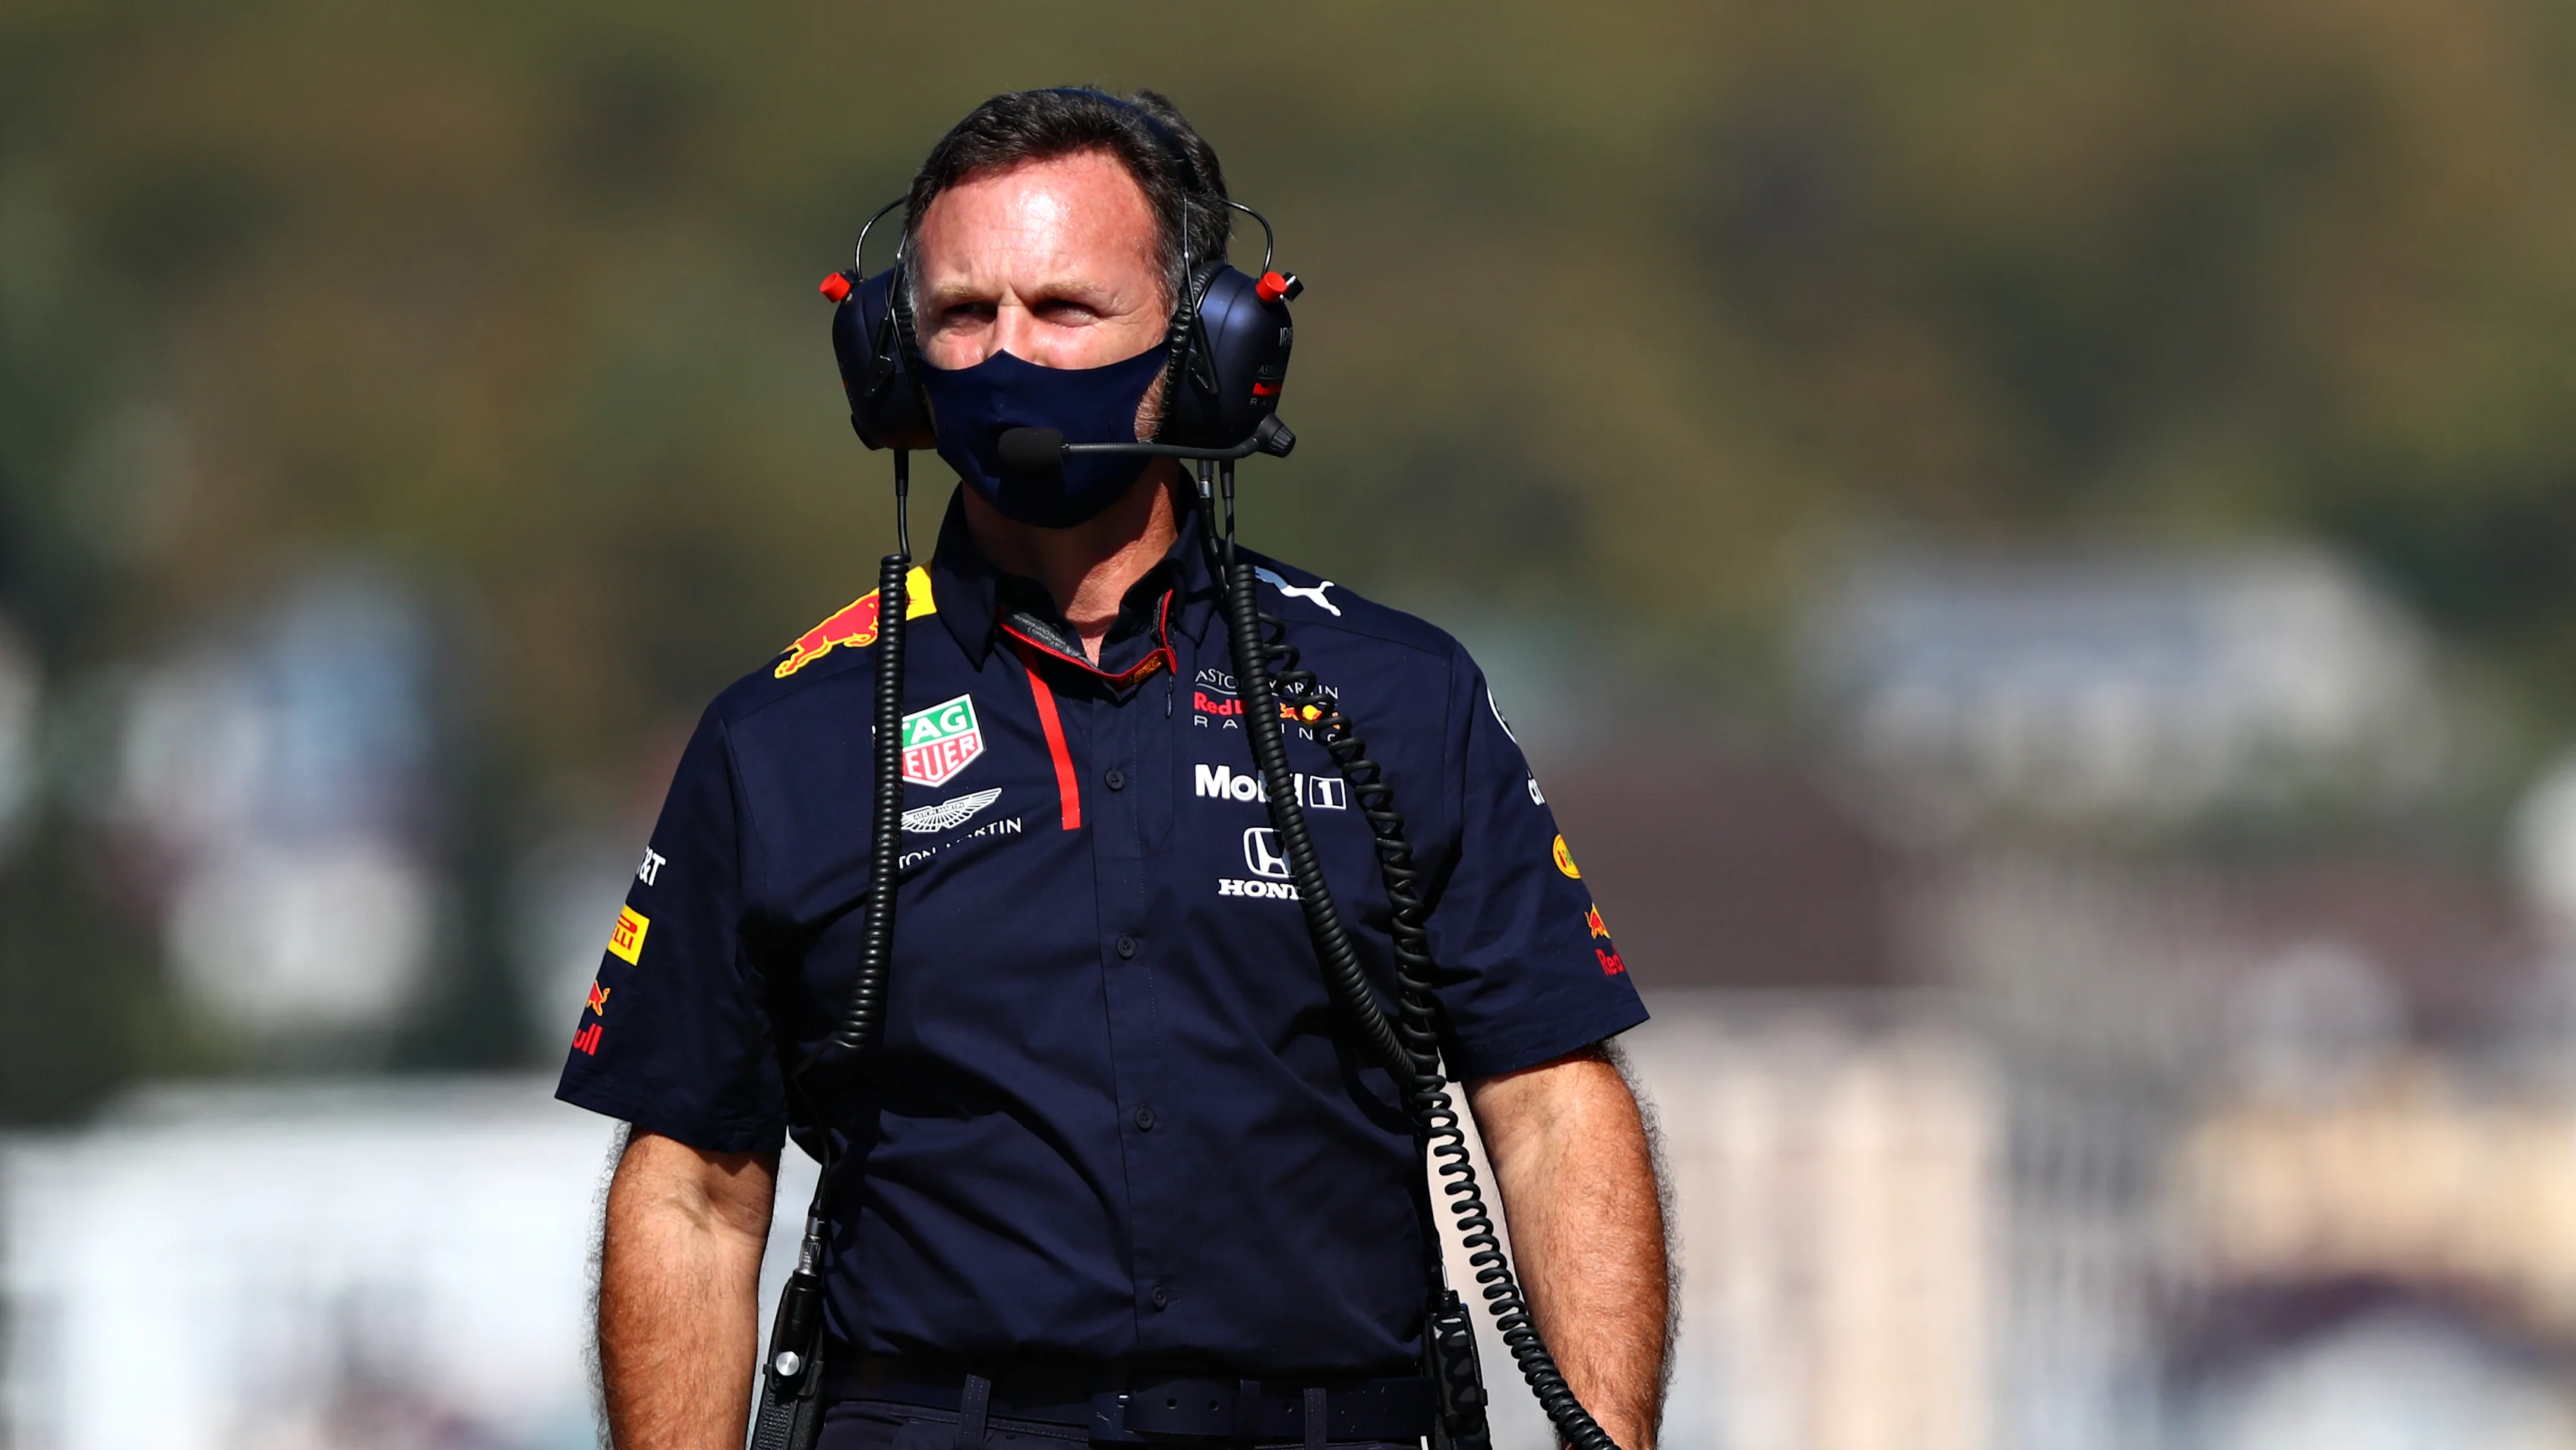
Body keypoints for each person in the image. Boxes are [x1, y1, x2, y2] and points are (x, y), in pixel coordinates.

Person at [557, 87, 1668, 1450]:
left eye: (1063, 309)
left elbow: (1555, 1106)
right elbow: (691, 1194)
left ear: (1209, 347)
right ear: (893, 362)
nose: (1004, 352)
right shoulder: (778, 739)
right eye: (962, 316)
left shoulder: (1401, 695)